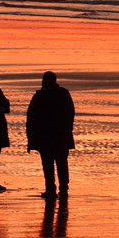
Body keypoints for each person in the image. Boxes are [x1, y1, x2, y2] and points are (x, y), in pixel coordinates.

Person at [26, 71, 75, 200]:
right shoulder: (63, 94)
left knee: (49, 164)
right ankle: (62, 189)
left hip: (46, 137)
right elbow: (70, 114)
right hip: (60, 136)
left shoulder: (40, 96)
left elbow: (31, 119)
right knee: (61, 163)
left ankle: (51, 189)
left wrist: (31, 138)